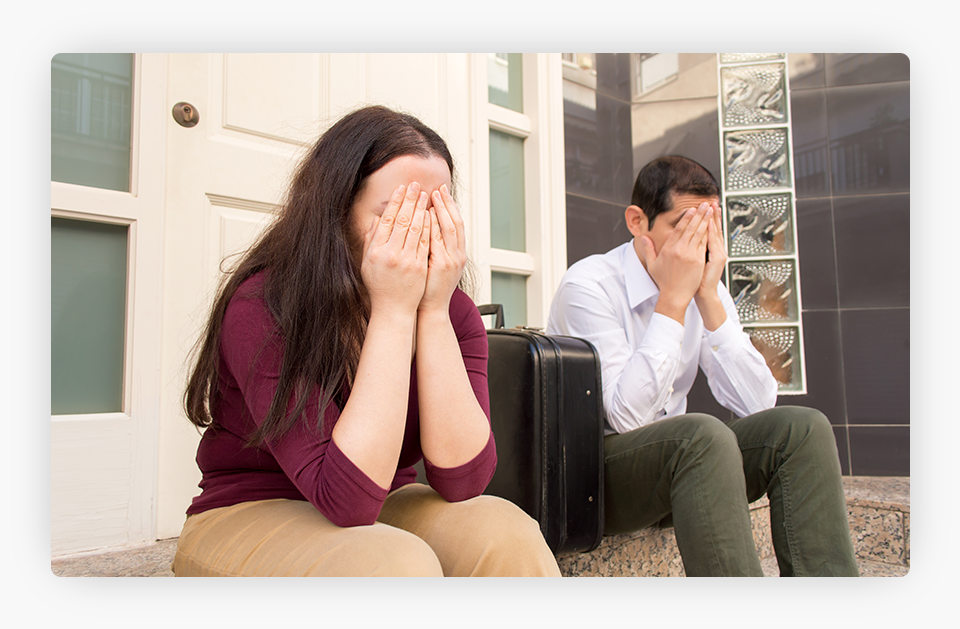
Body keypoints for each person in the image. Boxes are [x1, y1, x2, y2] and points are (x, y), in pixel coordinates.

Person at [172, 105, 561, 577]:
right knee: (395, 564)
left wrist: (433, 312)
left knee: (508, 533)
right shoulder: (264, 305)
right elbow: (347, 499)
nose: (419, 232)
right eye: (397, 214)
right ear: (337, 213)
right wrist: (394, 311)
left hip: (384, 499)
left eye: (434, 213)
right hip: (250, 507)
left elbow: (464, 481)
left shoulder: (450, 311)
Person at [547, 155, 858, 576]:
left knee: (802, 430)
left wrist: (708, 297)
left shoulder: (703, 280)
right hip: (598, 477)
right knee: (702, 435)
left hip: (688, 468)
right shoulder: (588, 286)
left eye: (708, 228)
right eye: (684, 227)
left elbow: (760, 404)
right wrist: (673, 300)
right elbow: (625, 419)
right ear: (638, 222)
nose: (698, 245)